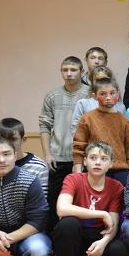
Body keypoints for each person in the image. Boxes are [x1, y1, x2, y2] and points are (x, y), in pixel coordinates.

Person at [51, 141, 129, 256]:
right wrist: (101, 213)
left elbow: (113, 224)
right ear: (85, 161)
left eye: (104, 159)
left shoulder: (116, 186)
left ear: (111, 164)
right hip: (75, 236)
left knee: (119, 250)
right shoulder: (73, 179)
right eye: (93, 158)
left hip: (97, 236)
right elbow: (62, 209)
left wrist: (103, 243)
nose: (98, 162)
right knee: (67, 224)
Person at [40, 56, 91, 229]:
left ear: (82, 72)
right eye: (65, 70)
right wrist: (47, 154)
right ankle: (53, 239)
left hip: (83, 158)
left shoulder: (90, 94)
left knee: (83, 201)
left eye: (73, 70)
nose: (69, 74)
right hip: (58, 158)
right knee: (55, 201)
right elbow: (44, 125)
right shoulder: (52, 95)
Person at [72, 77, 129, 185]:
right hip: (95, 169)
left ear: (118, 94)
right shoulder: (87, 118)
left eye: (112, 93)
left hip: (120, 170)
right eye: (103, 94)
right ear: (94, 96)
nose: (108, 97)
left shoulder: (124, 121)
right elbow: (79, 145)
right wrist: (78, 169)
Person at [72, 66, 127, 134]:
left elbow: (124, 130)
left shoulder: (120, 107)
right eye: (97, 80)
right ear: (91, 82)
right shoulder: (83, 104)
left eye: (105, 79)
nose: (102, 83)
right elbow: (76, 129)